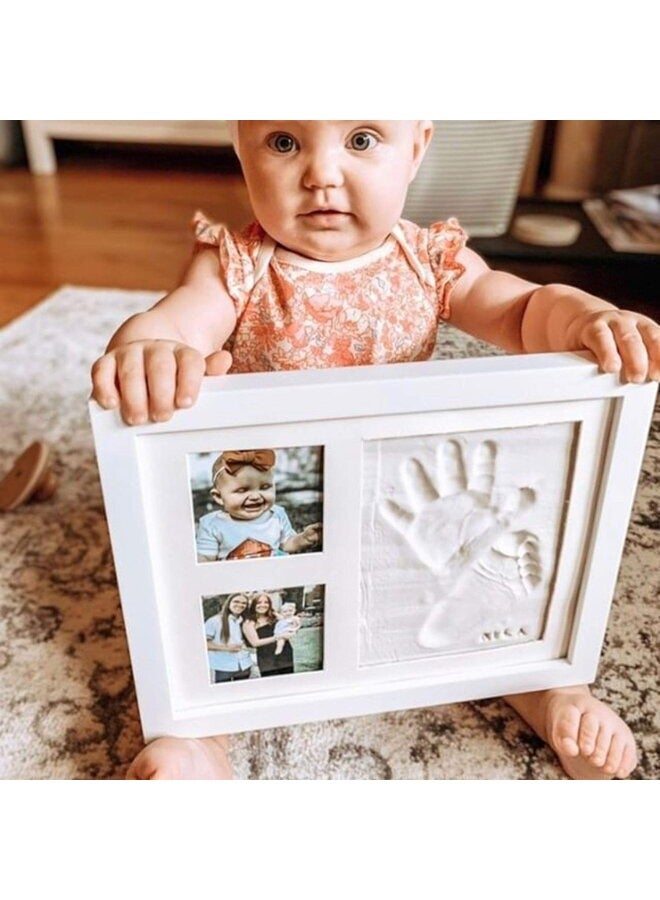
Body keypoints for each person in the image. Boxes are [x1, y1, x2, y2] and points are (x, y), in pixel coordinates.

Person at [92, 120, 660, 781]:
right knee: (223, 608)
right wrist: (152, 348)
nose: (321, 173)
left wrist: (585, 318)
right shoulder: (236, 267)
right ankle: (202, 739)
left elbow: (522, 310)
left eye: (361, 140)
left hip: (400, 500)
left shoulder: (432, 260)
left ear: (416, 148)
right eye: (284, 142)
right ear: (241, 147)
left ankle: (545, 686)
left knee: (490, 573)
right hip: (278, 504)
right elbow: (180, 318)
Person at [196, 448, 321, 561]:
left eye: (265, 487)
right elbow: (206, 558)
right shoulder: (212, 524)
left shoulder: (277, 514)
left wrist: (304, 538)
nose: (255, 496)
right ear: (219, 497)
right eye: (242, 490)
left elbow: (288, 544)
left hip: (273, 577)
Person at [242, 593, 296, 677]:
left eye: (266, 602)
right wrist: (278, 637)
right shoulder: (249, 622)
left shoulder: (274, 616)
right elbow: (255, 643)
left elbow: (288, 625)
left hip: (285, 653)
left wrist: (292, 629)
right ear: (253, 605)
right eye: (259, 602)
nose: (263, 605)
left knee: (288, 680)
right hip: (266, 657)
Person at [204, 593, 254, 683]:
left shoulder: (246, 621)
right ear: (228, 603)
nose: (240, 605)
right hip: (224, 666)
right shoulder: (214, 621)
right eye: (236, 601)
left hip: (244, 665)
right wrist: (226, 648)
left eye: (244, 603)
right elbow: (204, 644)